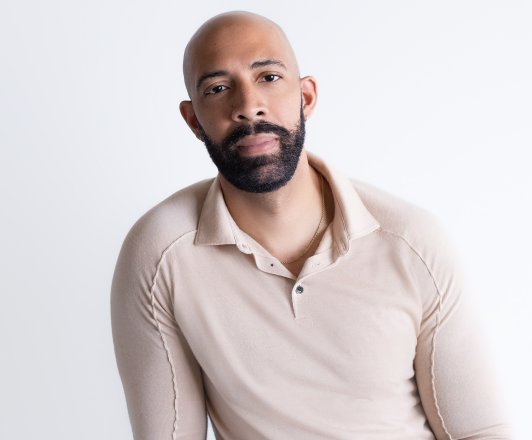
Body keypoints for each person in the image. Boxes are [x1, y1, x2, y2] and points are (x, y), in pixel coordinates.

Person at [111, 11, 511, 440]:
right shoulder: (161, 253)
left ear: (306, 96)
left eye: (268, 77)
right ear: (194, 120)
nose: (248, 106)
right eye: (219, 88)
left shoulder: (412, 242)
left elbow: (480, 431)